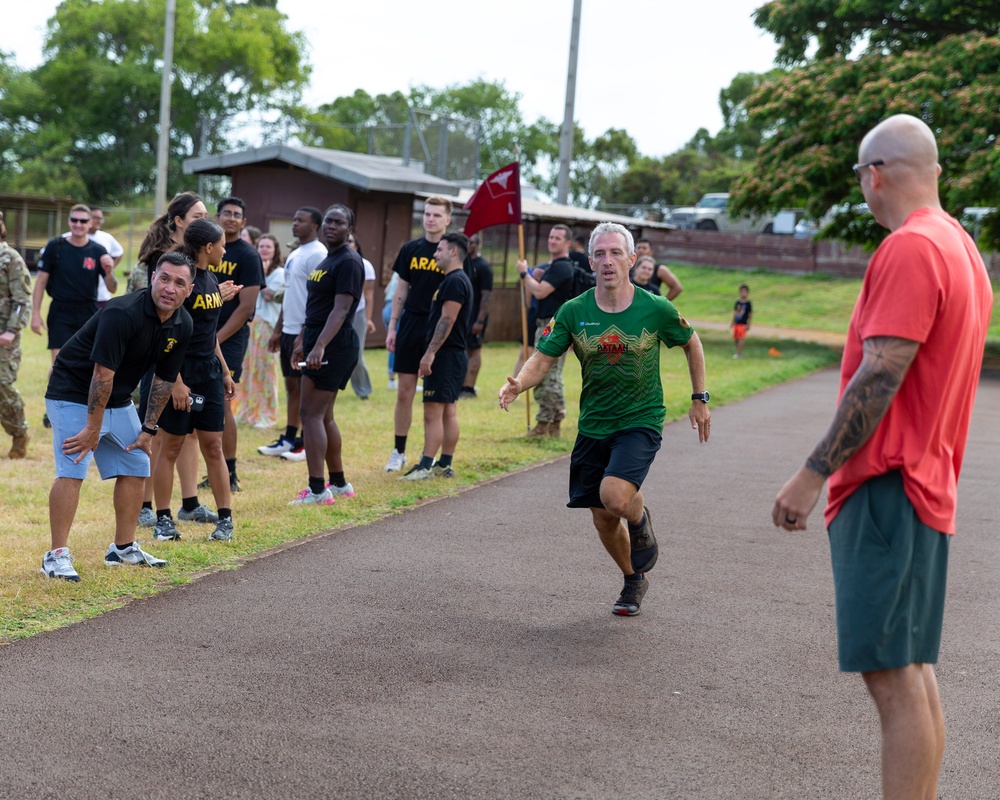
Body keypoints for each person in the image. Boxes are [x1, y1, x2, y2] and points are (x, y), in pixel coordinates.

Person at [771, 114, 993, 800]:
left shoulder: (911, 248)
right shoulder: (961, 248)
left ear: (874, 175)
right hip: (926, 486)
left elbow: (881, 373)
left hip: (889, 486)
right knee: (912, 671)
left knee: (894, 680)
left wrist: (812, 474)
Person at [500, 222, 710, 616]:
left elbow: (691, 342)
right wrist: (518, 385)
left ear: (632, 259)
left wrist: (699, 397)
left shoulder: (655, 307)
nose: (608, 261)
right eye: (600, 253)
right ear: (591, 259)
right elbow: (543, 357)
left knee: (614, 497)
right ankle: (634, 579)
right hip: (594, 424)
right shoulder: (574, 311)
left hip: (640, 419)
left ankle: (638, 513)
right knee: (601, 516)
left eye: (616, 253)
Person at [39, 252, 195, 582]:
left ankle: (122, 549)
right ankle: (55, 557)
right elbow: (101, 374)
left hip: (118, 396)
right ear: (152, 278)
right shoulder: (122, 313)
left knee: (136, 463)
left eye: (179, 282)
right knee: (74, 466)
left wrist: (149, 428)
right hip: (72, 389)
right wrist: (93, 429)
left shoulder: (183, 324)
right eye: (164, 278)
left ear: (190, 289)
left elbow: (165, 380)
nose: (169, 288)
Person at [149, 220, 238, 544]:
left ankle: (225, 520)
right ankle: (163, 520)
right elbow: (168, 334)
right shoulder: (184, 280)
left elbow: (208, 335)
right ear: (209, 248)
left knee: (213, 445)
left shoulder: (212, 279)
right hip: (180, 372)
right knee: (170, 447)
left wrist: (226, 371)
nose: (225, 249)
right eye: (222, 244)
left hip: (209, 372)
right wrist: (176, 383)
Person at [289, 204, 364, 505]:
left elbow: (341, 309)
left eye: (339, 222)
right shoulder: (329, 259)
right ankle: (340, 483)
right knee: (324, 415)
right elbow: (318, 306)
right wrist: (303, 340)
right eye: (328, 221)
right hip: (319, 339)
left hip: (333, 343)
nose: (331, 226)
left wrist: (319, 346)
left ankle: (317, 490)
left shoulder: (349, 261)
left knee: (310, 414)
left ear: (350, 229)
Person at [383, 196, 452, 472]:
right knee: (404, 392)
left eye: (436, 214)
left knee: (436, 401)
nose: (430, 219)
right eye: (427, 213)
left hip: (438, 326)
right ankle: (398, 451)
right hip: (410, 323)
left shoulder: (453, 249)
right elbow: (401, 289)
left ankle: (431, 456)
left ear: (447, 219)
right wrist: (392, 326)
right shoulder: (411, 249)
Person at [399, 232, 474, 481]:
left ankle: (425, 466)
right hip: (452, 356)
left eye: (439, 250)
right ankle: (444, 464)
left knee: (433, 412)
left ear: (453, 252)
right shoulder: (455, 280)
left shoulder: (454, 281)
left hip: (446, 356)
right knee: (447, 412)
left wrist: (430, 353)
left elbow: (448, 319)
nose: (434, 254)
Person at [208, 197, 264, 492]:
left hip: (228, 338)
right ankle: (211, 470)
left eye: (237, 215)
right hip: (199, 333)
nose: (231, 218)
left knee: (222, 403)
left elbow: (246, 307)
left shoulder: (248, 255)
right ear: (217, 217)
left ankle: (229, 472)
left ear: (244, 222)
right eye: (226, 213)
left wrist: (215, 338)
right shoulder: (206, 250)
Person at [262, 207, 327, 461]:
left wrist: (304, 331)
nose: (294, 224)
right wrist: (279, 329)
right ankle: (289, 438)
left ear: (314, 226)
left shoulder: (318, 253)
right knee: (291, 387)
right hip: (288, 329)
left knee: (304, 389)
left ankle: (303, 441)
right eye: (294, 219)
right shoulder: (296, 253)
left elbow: (318, 297)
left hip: (306, 331)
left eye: (301, 220)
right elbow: (290, 293)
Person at [31, 204, 118, 363]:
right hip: (61, 311)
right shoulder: (55, 247)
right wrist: (35, 314)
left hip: (88, 311)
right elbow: (41, 281)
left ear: (90, 223)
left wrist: (109, 272)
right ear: (68, 221)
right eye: (74, 220)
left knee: (86, 364)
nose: (78, 224)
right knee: (59, 363)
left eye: (83, 221)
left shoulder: (98, 250)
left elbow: (111, 288)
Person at [515, 224, 577, 438]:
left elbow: (540, 292)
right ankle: (554, 424)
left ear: (567, 242)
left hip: (554, 326)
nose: (552, 241)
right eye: (551, 237)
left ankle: (544, 424)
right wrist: (532, 277)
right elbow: (531, 296)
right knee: (554, 375)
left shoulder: (562, 267)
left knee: (547, 375)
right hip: (545, 324)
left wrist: (525, 274)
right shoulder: (549, 267)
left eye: (558, 238)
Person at [233, 233, 284, 428]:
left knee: (265, 370)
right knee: (247, 370)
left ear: (275, 250)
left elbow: (270, 296)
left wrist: (259, 276)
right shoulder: (254, 268)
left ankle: (266, 413)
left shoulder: (279, 273)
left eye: (268, 247)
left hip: (268, 327)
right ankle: (246, 410)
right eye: (261, 246)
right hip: (252, 326)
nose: (263, 249)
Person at [0, 211, 31, 458]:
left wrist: (11, 330)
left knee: (2, 385)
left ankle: (19, 433)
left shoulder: (10, 258)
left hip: (3, 335)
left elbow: (21, 299)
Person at [459, 233, 493, 399]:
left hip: (476, 316)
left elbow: (486, 296)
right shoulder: (462, 263)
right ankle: (461, 384)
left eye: (471, 242)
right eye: (465, 242)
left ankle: (469, 387)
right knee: (463, 349)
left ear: (478, 244)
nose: (468, 245)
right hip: (462, 315)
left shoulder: (483, 266)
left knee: (474, 350)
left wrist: (480, 320)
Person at [347, 233, 376, 400]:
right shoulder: (332, 261)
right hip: (335, 313)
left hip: (357, 313)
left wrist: (368, 318)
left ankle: (363, 390)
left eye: (350, 241)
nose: (347, 244)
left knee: (356, 354)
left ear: (356, 245)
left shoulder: (365, 265)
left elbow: (369, 294)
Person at [381, 271, 400, 389]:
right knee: (396, 344)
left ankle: (392, 379)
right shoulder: (406, 272)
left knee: (392, 343)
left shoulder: (395, 273)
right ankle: (392, 380)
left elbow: (386, 290)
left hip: (387, 308)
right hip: (396, 308)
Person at [730, 283, 752, 359]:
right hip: (737, 323)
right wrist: (733, 322)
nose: (743, 293)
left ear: (748, 293)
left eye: (745, 292)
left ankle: (739, 353)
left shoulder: (748, 303)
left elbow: (750, 314)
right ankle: (739, 351)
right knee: (736, 338)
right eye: (742, 291)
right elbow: (735, 312)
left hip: (743, 324)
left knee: (740, 338)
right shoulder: (738, 302)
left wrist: (749, 324)